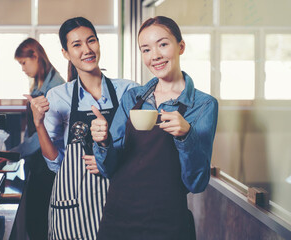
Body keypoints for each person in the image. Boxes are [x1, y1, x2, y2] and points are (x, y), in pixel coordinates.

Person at [91, 16, 218, 240]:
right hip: (118, 218)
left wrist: (186, 136)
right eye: (146, 49)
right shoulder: (133, 98)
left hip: (167, 224)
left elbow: (196, 183)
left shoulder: (203, 105)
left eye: (163, 44)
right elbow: (109, 169)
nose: (155, 56)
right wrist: (103, 142)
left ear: (181, 46)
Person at [26, 17, 138, 239]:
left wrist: (109, 158)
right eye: (76, 45)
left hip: (121, 197)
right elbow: (55, 163)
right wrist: (38, 124)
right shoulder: (58, 97)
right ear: (66, 53)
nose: (87, 50)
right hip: (74, 205)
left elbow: (142, 149)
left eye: (91, 41)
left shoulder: (128, 91)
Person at [0, 38, 65, 239]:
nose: (22, 68)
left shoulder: (55, 88)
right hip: (38, 160)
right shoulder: (39, 84)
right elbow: (33, 132)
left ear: (35, 56)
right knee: (36, 219)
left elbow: (45, 134)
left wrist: (13, 153)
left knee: (39, 221)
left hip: (50, 163)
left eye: (24, 62)